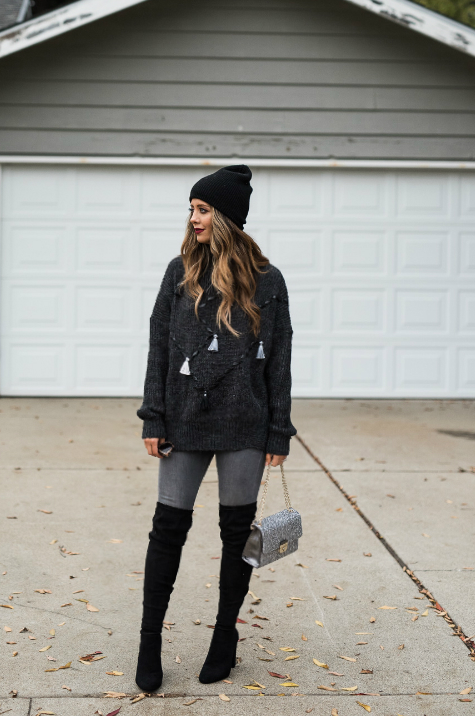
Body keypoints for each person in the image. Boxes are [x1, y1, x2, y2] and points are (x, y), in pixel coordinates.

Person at [135, 164, 295, 692]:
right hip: (182, 420)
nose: (193, 218)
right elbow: (159, 347)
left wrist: (278, 432)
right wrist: (152, 416)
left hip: (245, 424)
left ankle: (225, 636)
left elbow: (278, 361)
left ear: (226, 217)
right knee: (168, 530)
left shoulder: (268, 282)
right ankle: (149, 642)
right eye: (192, 208)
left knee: (237, 537)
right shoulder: (178, 273)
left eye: (202, 209)